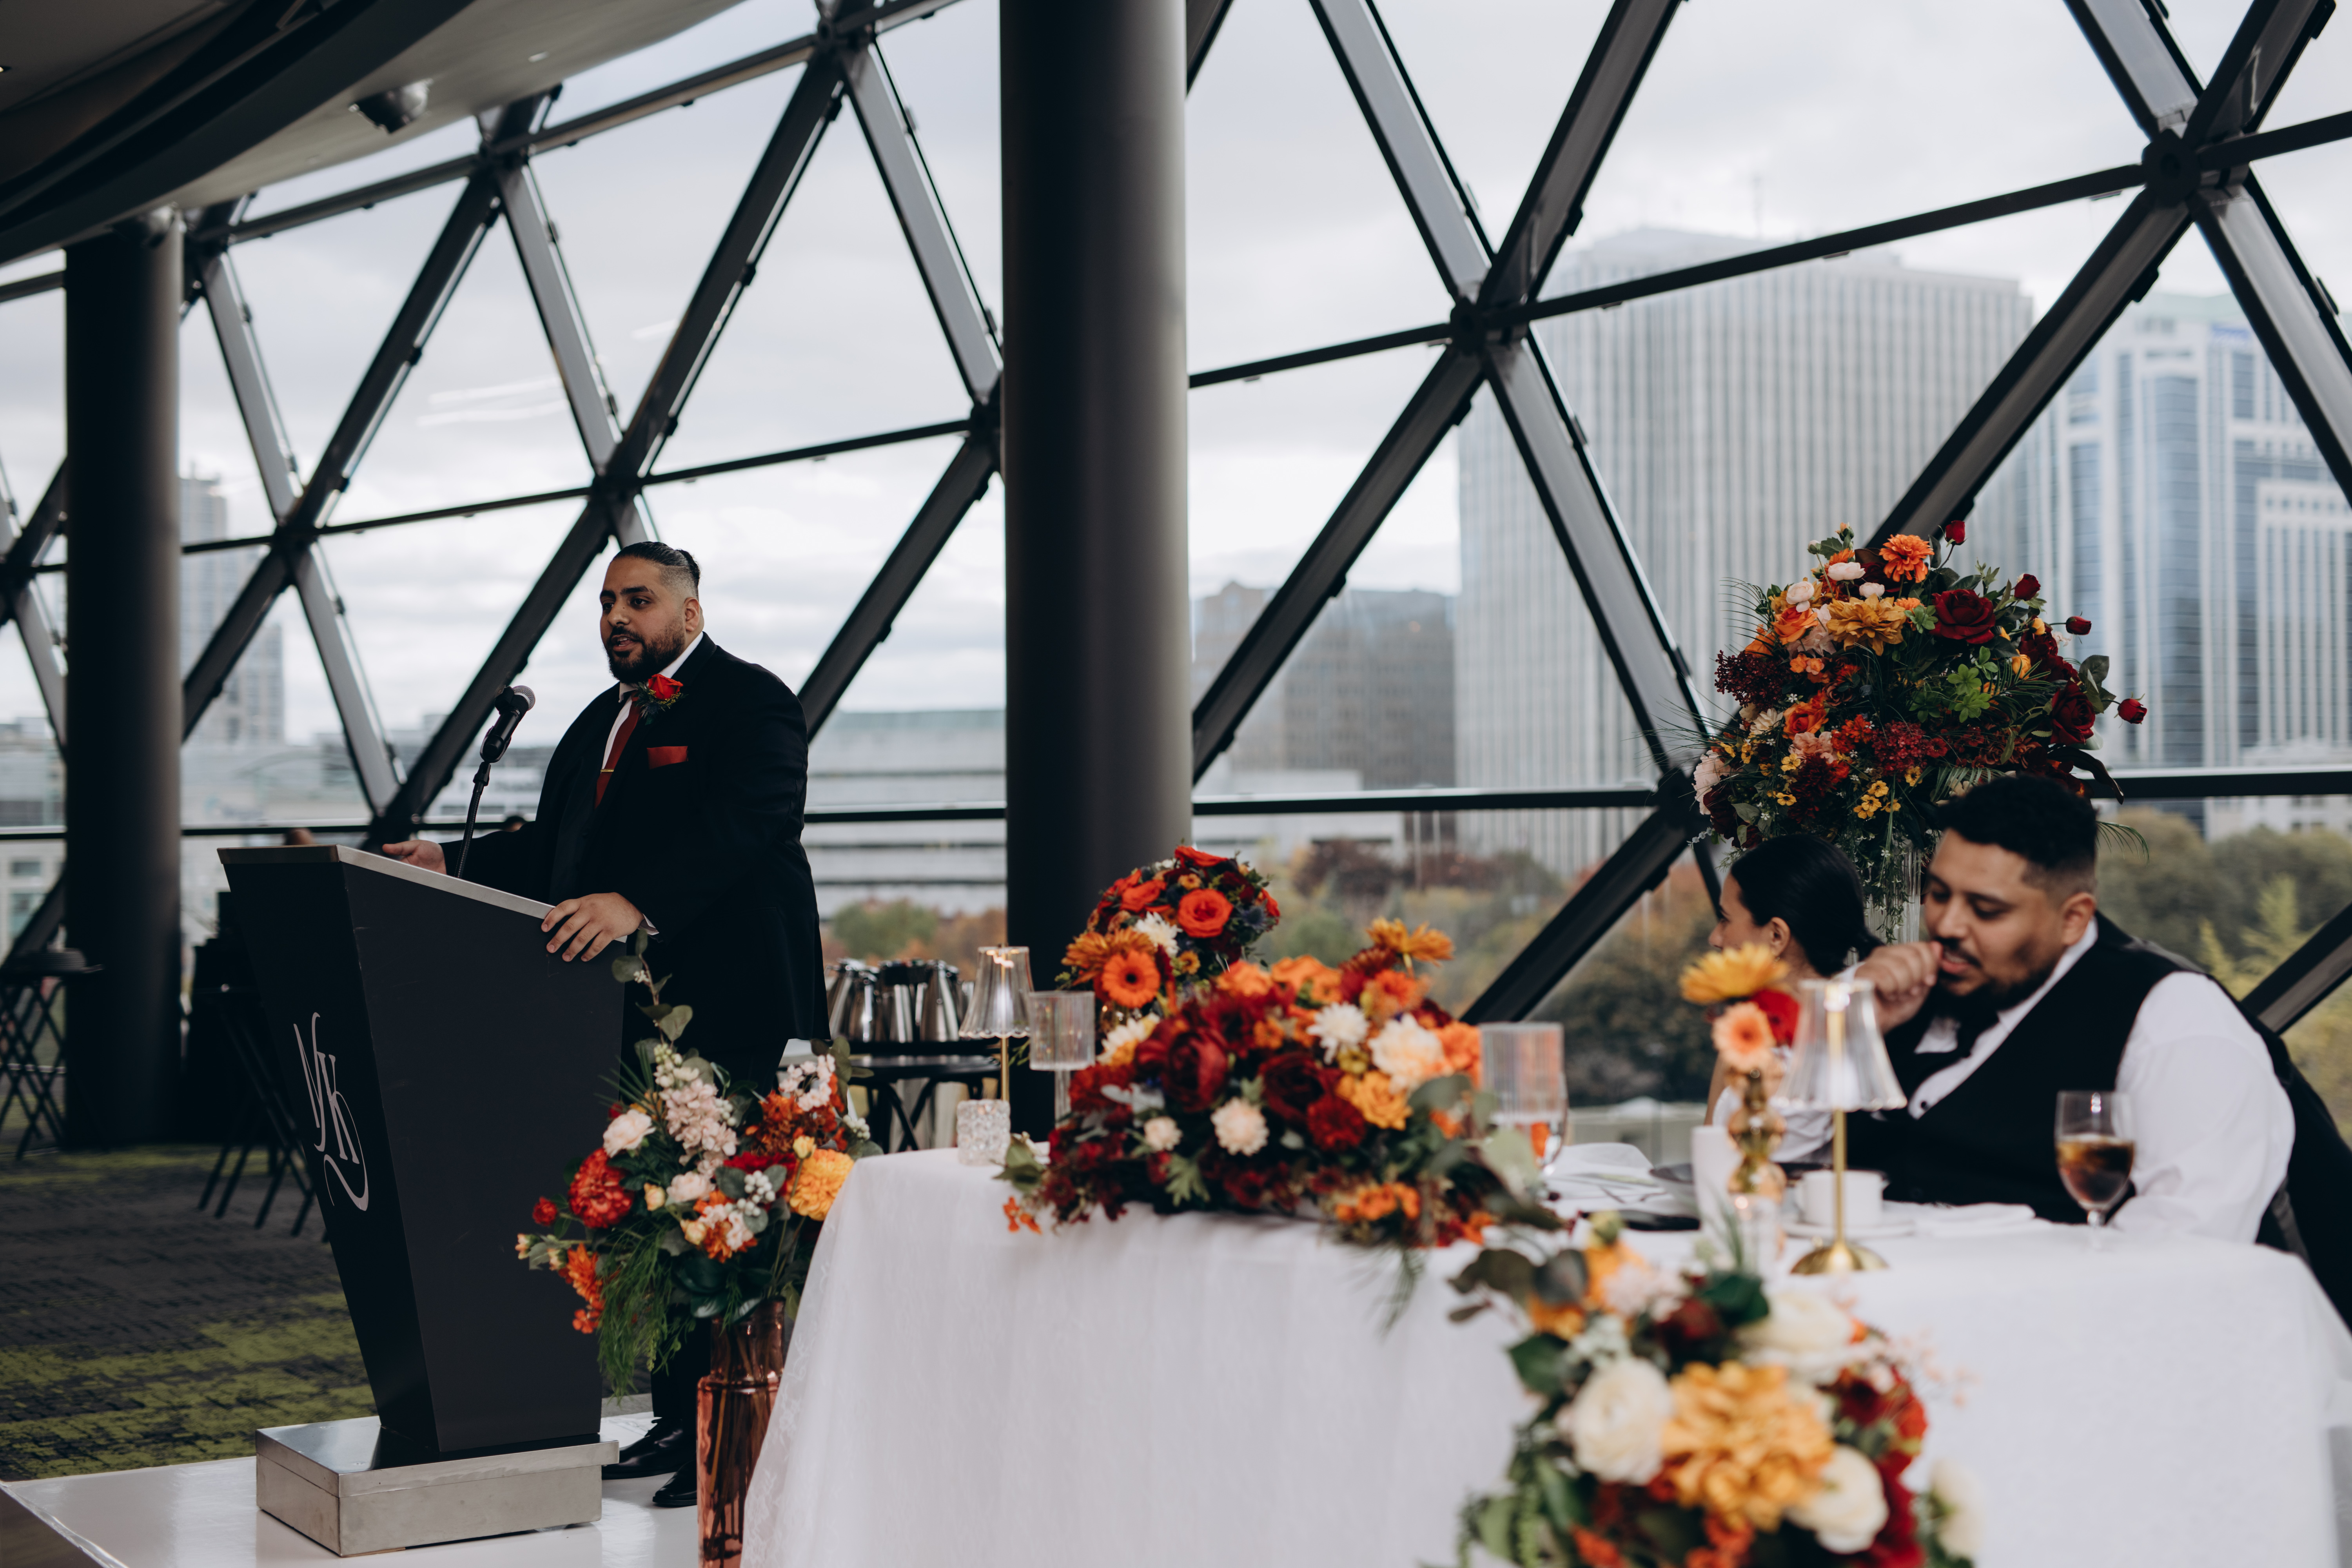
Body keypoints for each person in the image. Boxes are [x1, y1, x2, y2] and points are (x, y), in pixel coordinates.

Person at [381, 541, 825, 1506]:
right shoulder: (601, 719)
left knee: (726, 1216)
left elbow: (750, 822)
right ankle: (678, 1416)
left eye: (640, 599)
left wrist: (638, 901)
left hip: (734, 1007)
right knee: (659, 1215)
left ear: (690, 613)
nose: (618, 616)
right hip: (626, 1012)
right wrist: (453, 860)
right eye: (608, 601)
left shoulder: (752, 700)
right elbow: (563, 845)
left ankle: (737, 1431)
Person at [1848, 775, 2293, 1241]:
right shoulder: (1891, 986)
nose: (1947, 925)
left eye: (1986, 910)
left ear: (2073, 919)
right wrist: (1855, 1032)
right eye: (1939, 894)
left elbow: (2183, 1245)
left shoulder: (2178, 1024)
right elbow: (1798, 1155)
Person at [1702, 835, 1882, 1152]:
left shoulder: (1848, 1039)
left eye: (1726, 919)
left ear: (1776, 936)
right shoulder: (1748, 1027)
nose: (1715, 938)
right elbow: (1710, 1151)